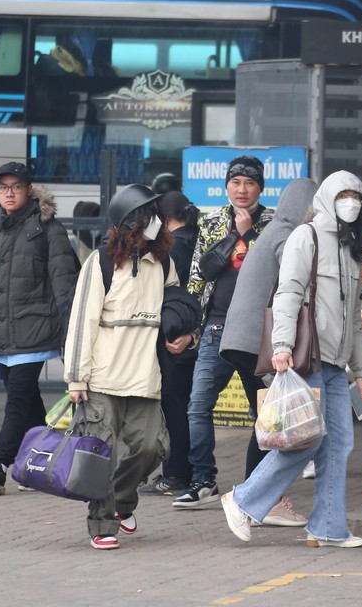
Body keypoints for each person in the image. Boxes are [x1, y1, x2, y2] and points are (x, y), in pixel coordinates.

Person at [220, 171, 362, 548]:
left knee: (338, 444)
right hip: (309, 357)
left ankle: (329, 527)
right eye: (343, 195)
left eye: (355, 196)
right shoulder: (307, 237)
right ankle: (243, 499)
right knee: (306, 440)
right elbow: (287, 293)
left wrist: (361, 368)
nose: (349, 202)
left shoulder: (353, 248)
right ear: (327, 198)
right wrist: (282, 346)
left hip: (336, 363)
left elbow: (353, 317)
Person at [64, 184, 187, 551]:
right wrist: (76, 377)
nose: (155, 223)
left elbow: (177, 308)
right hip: (101, 379)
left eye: (157, 216)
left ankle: (121, 502)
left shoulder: (163, 262)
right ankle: (102, 523)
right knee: (101, 453)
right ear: (130, 222)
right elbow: (81, 320)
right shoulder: (100, 263)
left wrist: (185, 335)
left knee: (150, 448)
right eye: (148, 217)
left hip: (145, 378)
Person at [0, 162, 80, 495]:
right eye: (3, 187)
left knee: (16, 400)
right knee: (28, 402)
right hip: (3, 334)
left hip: (34, 331)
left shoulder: (49, 229)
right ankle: (41, 460)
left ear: (29, 189)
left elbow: (64, 286)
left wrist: (71, 334)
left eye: (16, 186)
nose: (9, 193)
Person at [173, 155, 276, 509]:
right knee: (197, 406)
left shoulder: (274, 224)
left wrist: (248, 234)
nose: (242, 189)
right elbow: (199, 275)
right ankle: (203, 480)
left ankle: (256, 484)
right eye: (236, 182)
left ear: (260, 187)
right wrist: (189, 326)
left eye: (249, 183)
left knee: (263, 413)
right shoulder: (213, 221)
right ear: (227, 185)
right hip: (216, 327)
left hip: (257, 332)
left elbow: (278, 273)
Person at [219, 178, 319, 520]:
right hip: (256, 342)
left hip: (240, 339)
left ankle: (258, 497)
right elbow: (298, 281)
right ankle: (260, 499)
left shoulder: (274, 230)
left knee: (265, 419)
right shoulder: (287, 235)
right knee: (271, 421)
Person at [141, 190, 202, 496]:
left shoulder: (172, 247)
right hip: (194, 334)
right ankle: (189, 470)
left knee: (174, 405)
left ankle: (175, 473)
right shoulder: (199, 239)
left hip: (172, 335)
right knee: (191, 406)